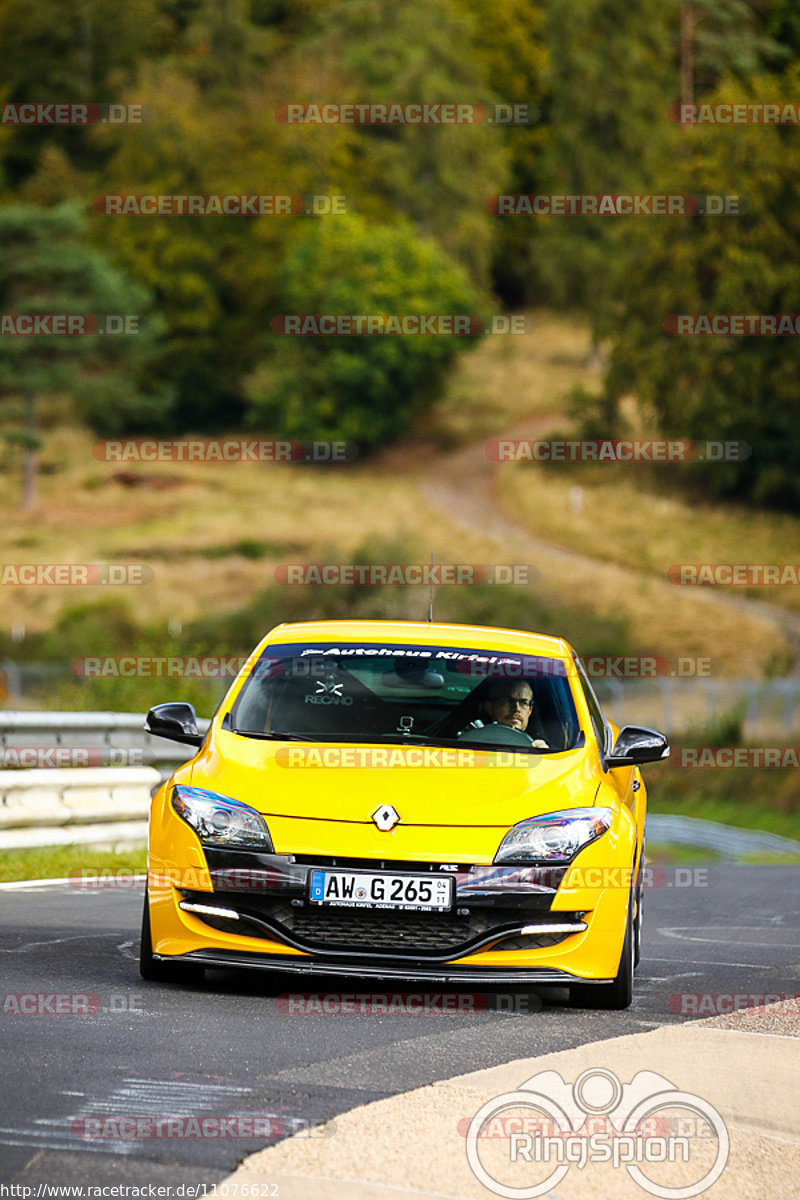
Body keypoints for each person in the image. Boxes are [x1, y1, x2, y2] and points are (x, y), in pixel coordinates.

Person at [463, 679, 548, 747]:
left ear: (530, 711)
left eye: (523, 703)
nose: (517, 709)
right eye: (507, 701)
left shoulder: (536, 747)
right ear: (489, 707)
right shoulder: (471, 742)